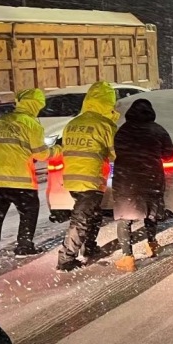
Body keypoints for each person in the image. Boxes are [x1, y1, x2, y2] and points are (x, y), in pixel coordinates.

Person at [0, 89, 50, 261]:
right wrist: (58, 151)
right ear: (36, 105)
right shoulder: (32, 125)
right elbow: (41, 154)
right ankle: (24, 246)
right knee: (29, 211)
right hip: (20, 180)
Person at [57, 81, 118, 272]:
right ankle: (66, 259)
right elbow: (115, 153)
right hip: (91, 177)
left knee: (92, 214)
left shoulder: (73, 123)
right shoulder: (105, 125)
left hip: (72, 178)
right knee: (81, 219)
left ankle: (89, 247)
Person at [111, 98, 173, 272]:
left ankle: (127, 257)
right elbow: (170, 153)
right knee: (150, 212)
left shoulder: (122, 131)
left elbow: (114, 151)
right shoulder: (157, 130)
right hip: (151, 175)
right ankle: (152, 244)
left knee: (125, 218)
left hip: (126, 178)